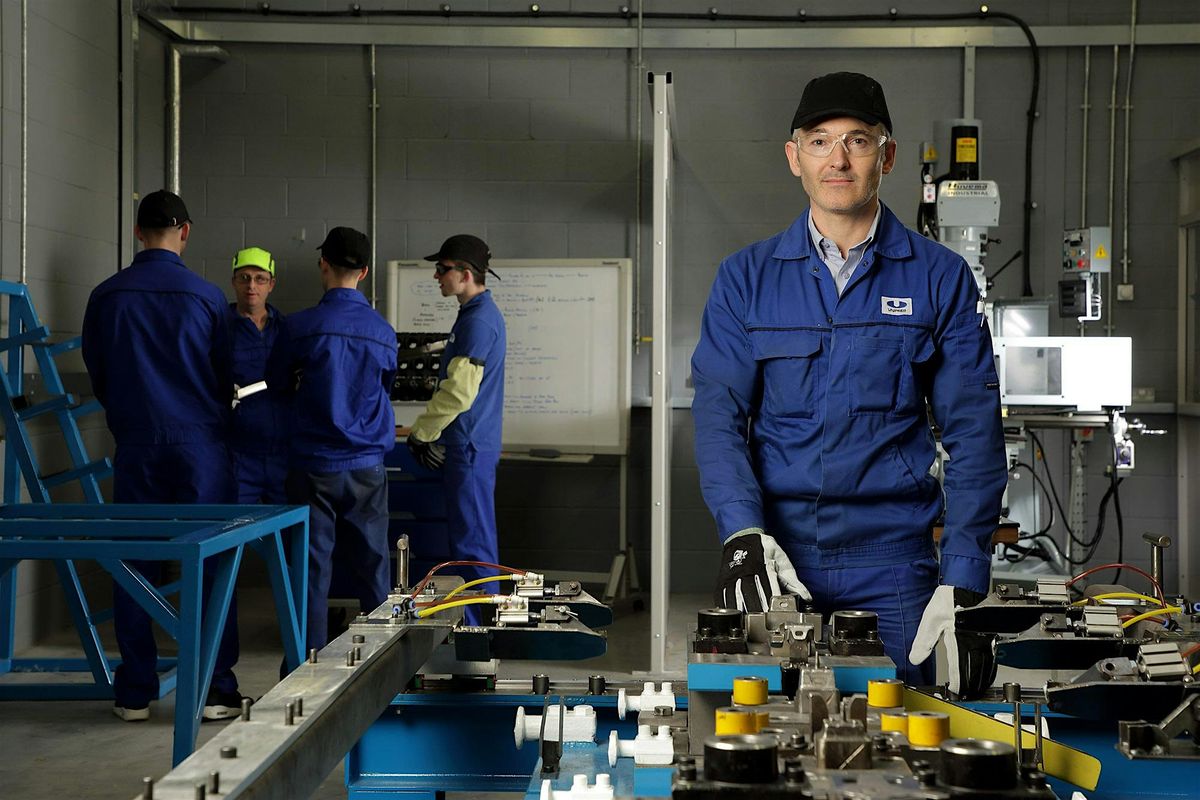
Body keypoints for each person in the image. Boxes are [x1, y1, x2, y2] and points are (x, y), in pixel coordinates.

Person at [690, 72, 1007, 688]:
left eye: (857, 141)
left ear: (886, 156)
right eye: (819, 141)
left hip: (894, 567)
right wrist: (741, 533)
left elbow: (974, 431)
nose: (837, 159)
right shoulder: (745, 279)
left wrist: (965, 573)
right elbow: (718, 418)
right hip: (776, 559)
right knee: (763, 730)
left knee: (905, 729)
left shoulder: (938, 277)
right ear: (794, 157)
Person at [81, 190, 246, 720]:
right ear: (186, 232)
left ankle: (134, 692)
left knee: (135, 563)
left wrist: (133, 420)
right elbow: (224, 375)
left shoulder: (106, 296)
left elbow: (99, 373)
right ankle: (215, 690)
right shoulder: (206, 297)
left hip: (137, 445)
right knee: (213, 561)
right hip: (200, 447)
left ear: (137, 231)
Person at [266, 226, 397, 654]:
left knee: (310, 570)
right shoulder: (382, 331)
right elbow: (385, 387)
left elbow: (276, 386)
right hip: (366, 465)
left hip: (312, 466)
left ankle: (305, 669)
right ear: (364, 272)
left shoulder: (299, 327)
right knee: (374, 568)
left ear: (323, 265)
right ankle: (383, 664)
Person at [406, 234, 506, 623]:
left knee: (472, 544)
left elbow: (459, 392)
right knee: (470, 540)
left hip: (469, 448)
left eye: (442, 269)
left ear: (465, 273)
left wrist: (422, 432)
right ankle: (480, 628)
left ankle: (484, 633)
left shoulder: (478, 320)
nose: (436, 276)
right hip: (470, 446)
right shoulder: (474, 315)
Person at [227, 246, 288, 504]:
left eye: (260, 279)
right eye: (244, 278)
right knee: (236, 524)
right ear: (234, 282)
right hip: (237, 454)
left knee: (288, 524)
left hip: (283, 453)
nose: (251, 286)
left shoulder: (286, 329)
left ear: (271, 284)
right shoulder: (218, 328)